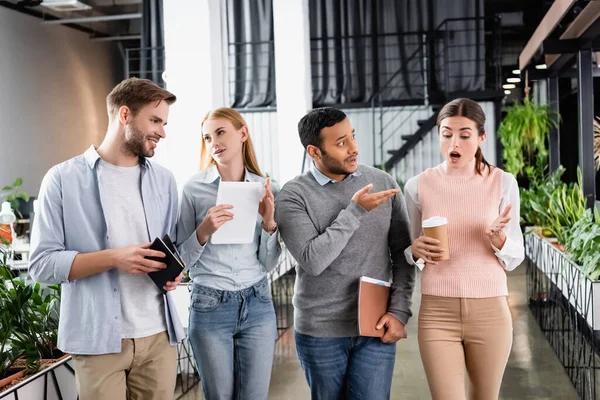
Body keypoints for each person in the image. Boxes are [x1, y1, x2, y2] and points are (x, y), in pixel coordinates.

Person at [29, 78, 185, 400]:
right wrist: (115, 258)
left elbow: (172, 248)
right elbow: (42, 264)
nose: (162, 132)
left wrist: (174, 273)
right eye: (155, 121)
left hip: (158, 335)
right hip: (97, 338)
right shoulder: (62, 179)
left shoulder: (165, 181)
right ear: (125, 115)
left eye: (164, 123)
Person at [275, 107, 415, 399]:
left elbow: (403, 254)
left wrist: (399, 310)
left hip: (376, 326)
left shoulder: (383, 182)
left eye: (351, 137)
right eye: (340, 143)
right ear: (314, 151)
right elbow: (313, 261)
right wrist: (355, 211)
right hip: (321, 333)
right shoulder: (293, 195)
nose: (353, 149)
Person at [404, 98, 525, 400]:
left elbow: (515, 257)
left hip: (490, 311)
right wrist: (415, 251)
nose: (453, 143)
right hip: (437, 313)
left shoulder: (503, 182)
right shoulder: (417, 186)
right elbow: (410, 250)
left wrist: (498, 240)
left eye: (464, 135)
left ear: (481, 137)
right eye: (446, 134)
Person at [176, 107, 281, 400]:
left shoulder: (265, 189)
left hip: (258, 303)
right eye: (207, 137)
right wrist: (204, 230)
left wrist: (270, 222)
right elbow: (180, 261)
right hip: (210, 305)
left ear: (243, 133)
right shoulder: (193, 189)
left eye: (220, 132)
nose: (214, 143)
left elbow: (268, 262)